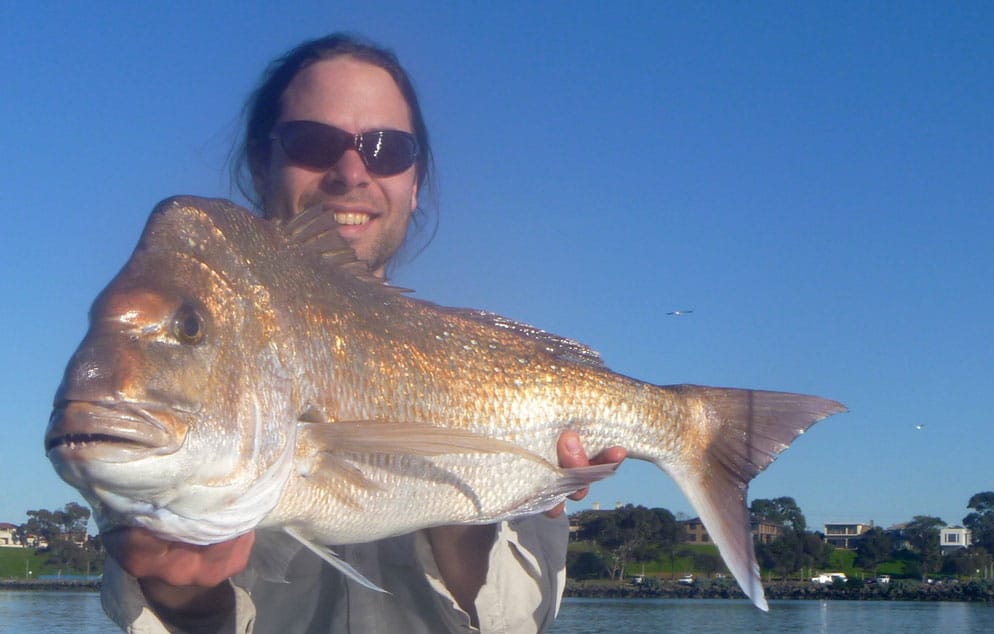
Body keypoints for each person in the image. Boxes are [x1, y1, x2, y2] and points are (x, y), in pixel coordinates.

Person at [101, 33, 626, 633]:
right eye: (312, 141)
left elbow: (519, 623)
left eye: (388, 149)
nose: (352, 172)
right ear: (261, 164)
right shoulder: (178, 364)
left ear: (415, 182)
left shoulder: (498, 376)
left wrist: (471, 504)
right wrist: (178, 593)